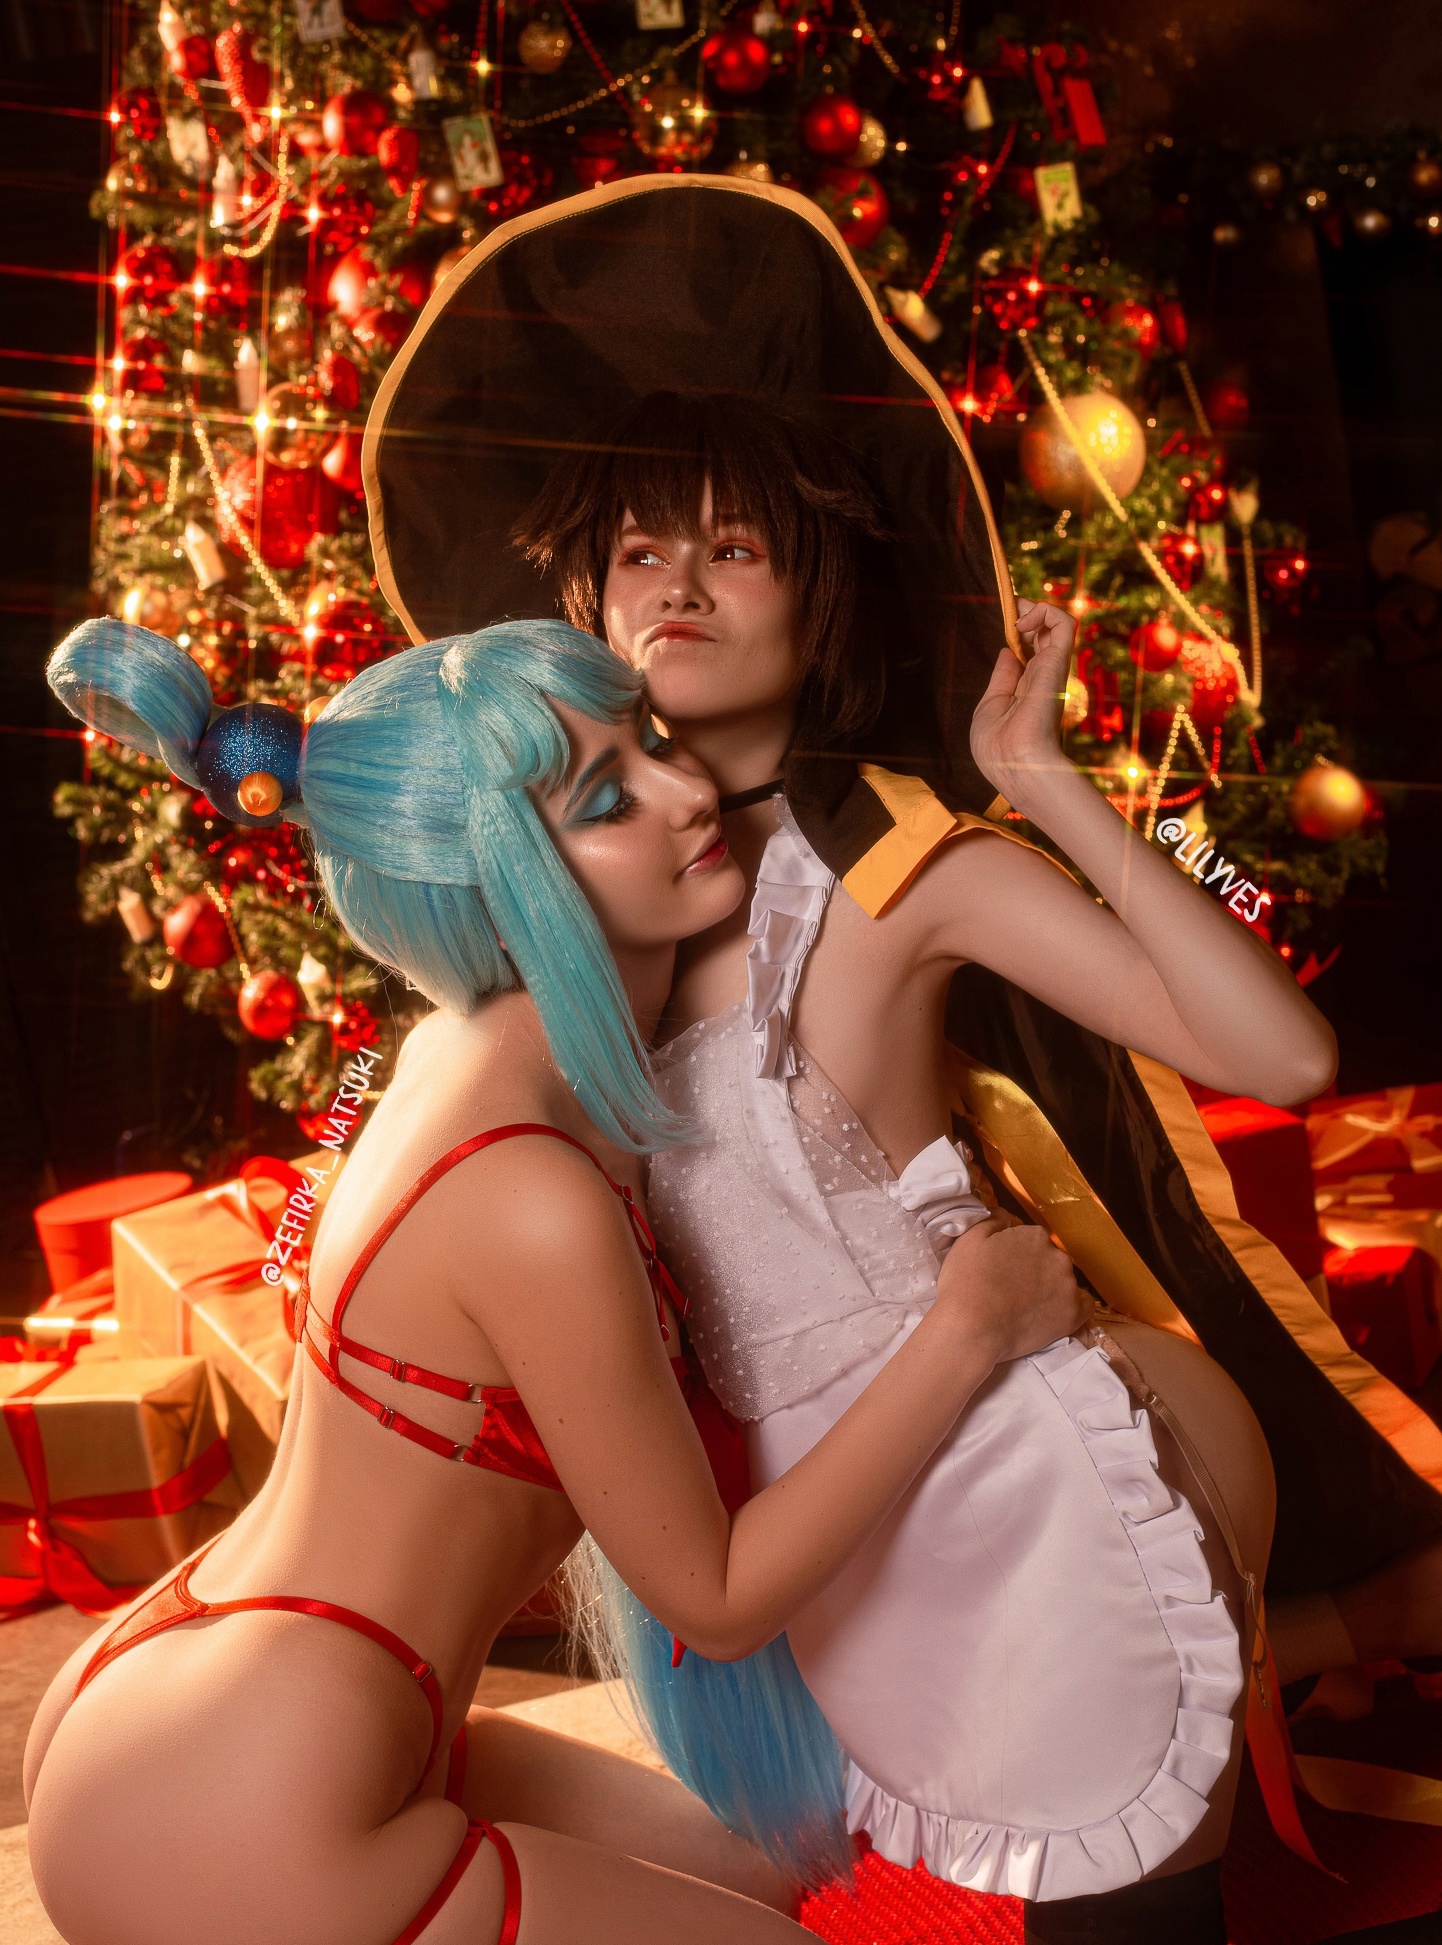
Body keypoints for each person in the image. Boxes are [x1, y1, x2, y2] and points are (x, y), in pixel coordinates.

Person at [17, 612, 1083, 1945]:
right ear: (496, 881)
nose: (682, 790)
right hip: (254, 1782)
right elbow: (715, 1597)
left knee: (756, 1875)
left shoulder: (449, 1057)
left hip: (240, 1698)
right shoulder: (529, 1192)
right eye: (599, 799)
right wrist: (966, 1332)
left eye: (644, 742)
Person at [366, 172, 1442, 1657]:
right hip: (760, 1523)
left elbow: (1288, 1062)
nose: (678, 585)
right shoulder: (566, 895)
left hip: (987, 1479)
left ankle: (1319, 1629)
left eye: (734, 549)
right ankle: (1324, 1634)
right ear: (587, 601)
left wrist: (1045, 783)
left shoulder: (899, 868)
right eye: (639, 552)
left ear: (817, 600)